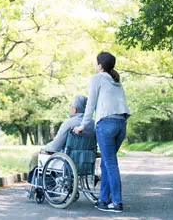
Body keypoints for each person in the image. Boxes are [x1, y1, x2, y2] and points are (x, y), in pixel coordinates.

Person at [74, 52, 130, 213]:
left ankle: (117, 202)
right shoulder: (116, 81)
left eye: (96, 63)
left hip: (106, 124)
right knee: (106, 163)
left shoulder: (97, 78)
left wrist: (82, 126)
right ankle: (103, 200)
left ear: (100, 66)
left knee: (110, 164)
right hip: (121, 124)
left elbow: (90, 104)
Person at [26, 95, 95, 198]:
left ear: (74, 109)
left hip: (67, 161)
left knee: (37, 156)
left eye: (70, 106)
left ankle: (38, 189)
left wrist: (44, 148)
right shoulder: (93, 124)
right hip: (86, 161)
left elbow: (55, 146)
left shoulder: (69, 123)